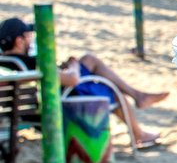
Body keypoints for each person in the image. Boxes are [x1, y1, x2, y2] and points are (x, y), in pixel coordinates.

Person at [0, 17, 167, 148]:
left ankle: (139, 97)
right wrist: (72, 66)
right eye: (28, 36)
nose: (30, 40)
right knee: (112, 91)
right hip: (58, 107)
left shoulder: (6, 64)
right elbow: (72, 80)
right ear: (19, 41)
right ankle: (139, 129)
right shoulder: (30, 63)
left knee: (89, 60)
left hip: (24, 112)